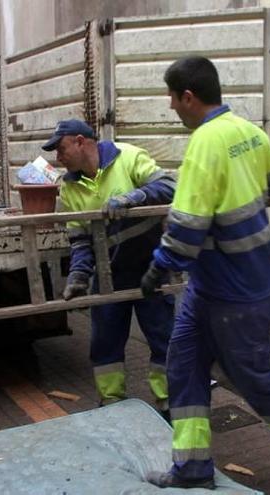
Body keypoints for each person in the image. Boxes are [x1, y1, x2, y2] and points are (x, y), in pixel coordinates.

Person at [140, 56, 270, 489]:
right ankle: (192, 469)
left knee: (253, 379)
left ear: (188, 97)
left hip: (236, 293)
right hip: (218, 288)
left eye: (172, 98)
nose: (170, 107)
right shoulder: (249, 132)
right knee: (183, 367)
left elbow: (187, 227)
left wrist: (158, 268)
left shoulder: (205, 143)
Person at [42, 119, 176, 417]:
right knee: (105, 345)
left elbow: (168, 186)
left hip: (150, 270)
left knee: (163, 339)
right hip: (108, 277)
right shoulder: (69, 188)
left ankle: (169, 404)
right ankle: (112, 405)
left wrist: (134, 197)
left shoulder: (128, 157)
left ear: (80, 141)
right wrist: (78, 275)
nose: (58, 158)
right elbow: (80, 240)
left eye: (61, 149)